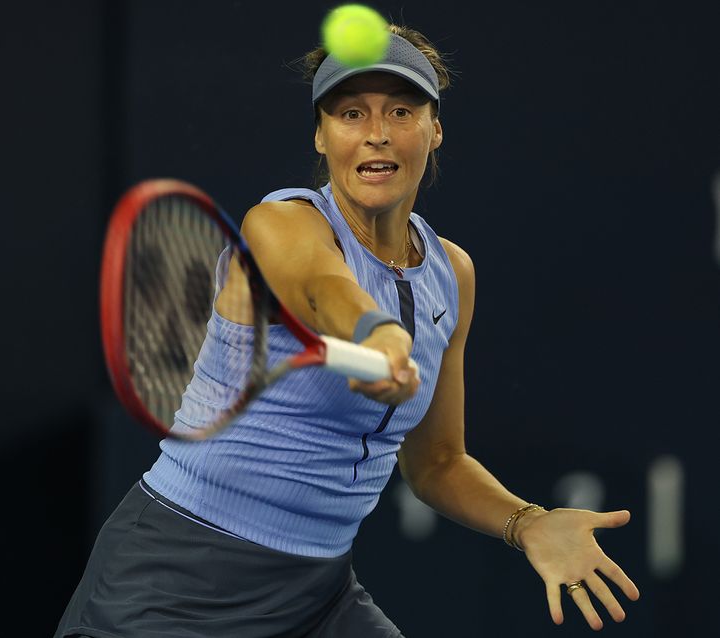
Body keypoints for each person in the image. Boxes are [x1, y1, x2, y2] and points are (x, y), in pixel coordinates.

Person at [54, 24, 639, 638]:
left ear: (435, 129)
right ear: (321, 134)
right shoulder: (280, 224)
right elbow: (321, 285)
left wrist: (528, 522)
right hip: (177, 576)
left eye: (401, 111)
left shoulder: (452, 274)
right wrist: (378, 335)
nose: (376, 133)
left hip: (319, 594)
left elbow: (438, 462)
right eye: (351, 113)